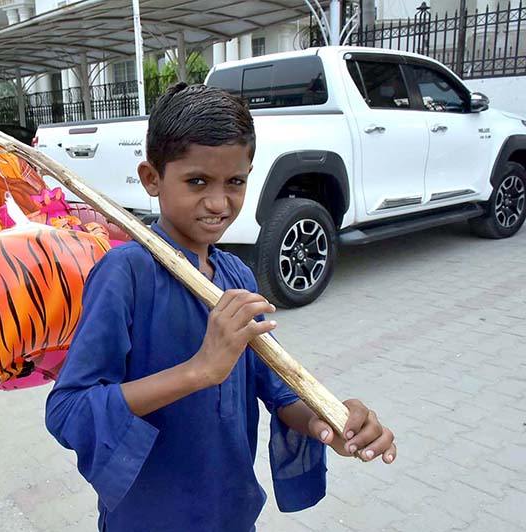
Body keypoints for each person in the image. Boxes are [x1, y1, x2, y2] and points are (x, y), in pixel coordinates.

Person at [45, 83, 396, 532]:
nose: (218, 202)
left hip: (230, 513)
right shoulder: (126, 273)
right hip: (148, 519)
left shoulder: (238, 278)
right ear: (152, 178)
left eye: (235, 182)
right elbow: (69, 409)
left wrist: (329, 421)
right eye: (197, 182)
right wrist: (199, 371)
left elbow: (281, 389)